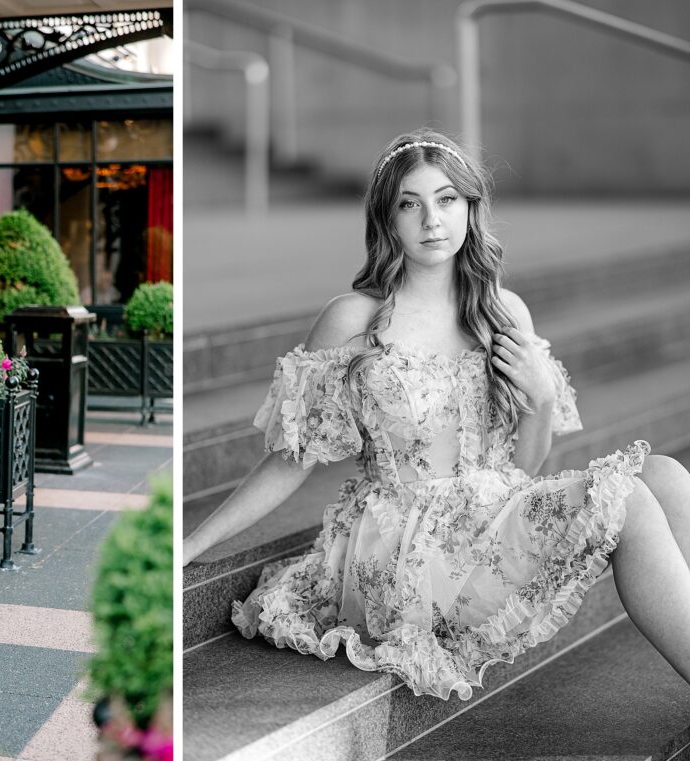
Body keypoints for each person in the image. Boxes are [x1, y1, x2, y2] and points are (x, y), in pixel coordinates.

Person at [182, 130, 690, 700]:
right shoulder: (353, 318)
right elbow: (287, 462)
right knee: (632, 502)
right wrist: (189, 547)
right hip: (405, 549)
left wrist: (541, 398)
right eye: (410, 203)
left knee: (666, 476)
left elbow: (521, 469)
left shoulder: (501, 312)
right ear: (387, 218)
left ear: (471, 210)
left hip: (489, 518)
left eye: (448, 200)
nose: (432, 221)